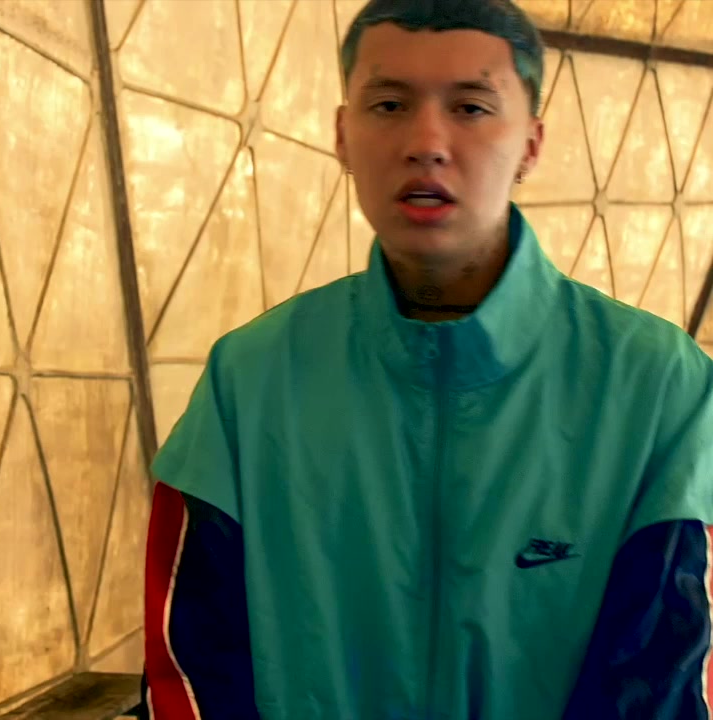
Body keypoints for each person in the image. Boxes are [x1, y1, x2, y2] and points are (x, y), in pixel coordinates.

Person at [139, 0, 713, 718]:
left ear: (531, 144)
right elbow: (190, 669)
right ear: (343, 134)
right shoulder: (248, 383)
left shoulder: (658, 389)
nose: (427, 142)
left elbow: (667, 684)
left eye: (471, 107)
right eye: (389, 105)